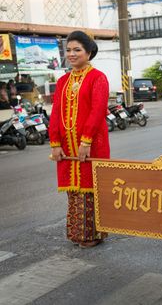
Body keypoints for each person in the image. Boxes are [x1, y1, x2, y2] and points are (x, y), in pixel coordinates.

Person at [48, 30, 109, 248]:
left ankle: (92, 235)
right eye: (69, 50)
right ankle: (77, 234)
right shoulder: (63, 80)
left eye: (77, 50)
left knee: (91, 189)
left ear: (89, 52)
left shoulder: (97, 77)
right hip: (66, 145)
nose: (72, 54)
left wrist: (86, 141)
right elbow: (55, 113)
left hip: (91, 143)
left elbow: (97, 110)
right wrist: (54, 143)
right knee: (74, 192)